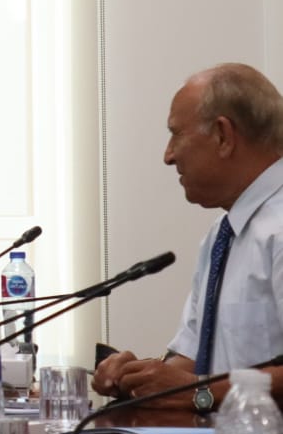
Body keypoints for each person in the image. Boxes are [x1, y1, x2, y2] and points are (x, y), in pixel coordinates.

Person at [92, 63, 283, 411]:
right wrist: (141, 377)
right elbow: (192, 362)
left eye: (176, 134)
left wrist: (199, 392)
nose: (168, 155)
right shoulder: (222, 235)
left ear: (223, 136)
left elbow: (197, 386)